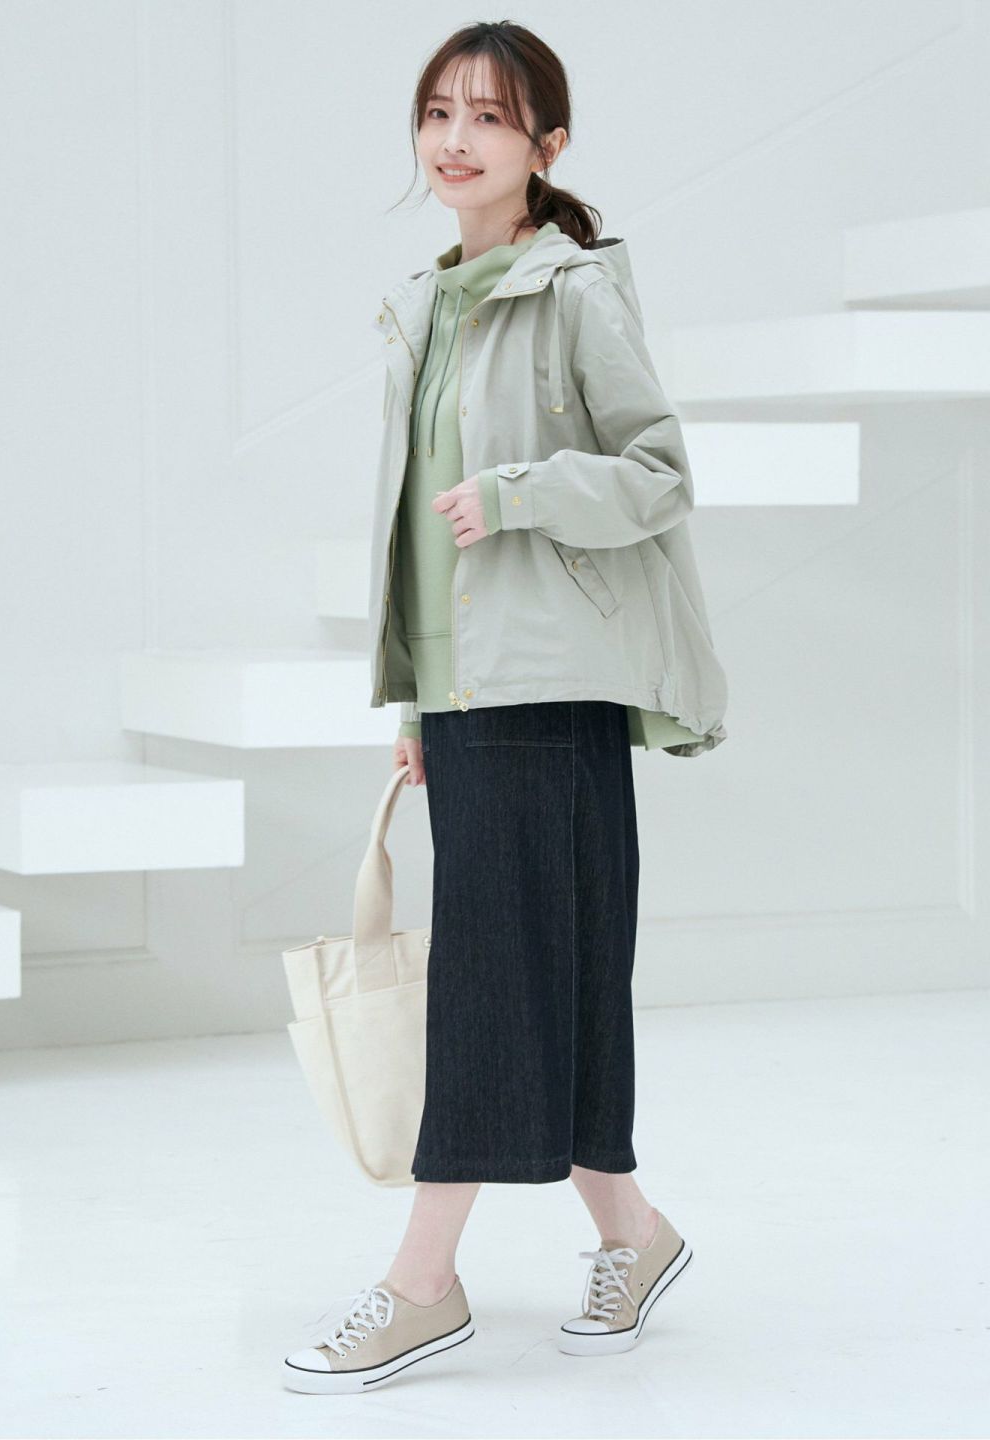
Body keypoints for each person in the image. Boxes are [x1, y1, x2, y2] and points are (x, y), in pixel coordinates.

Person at [283, 19, 726, 1395]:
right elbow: (418, 544)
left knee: (492, 977)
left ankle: (423, 1284)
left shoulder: (570, 292)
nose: (455, 140)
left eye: (487, 116)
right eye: (437, 114)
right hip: (474, 695)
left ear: (548, 144)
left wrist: (524, 492)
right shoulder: (429, 302)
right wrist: (419, 702)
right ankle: (634, 1233)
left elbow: (660, 472)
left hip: (553, 684)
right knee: (560, 970)